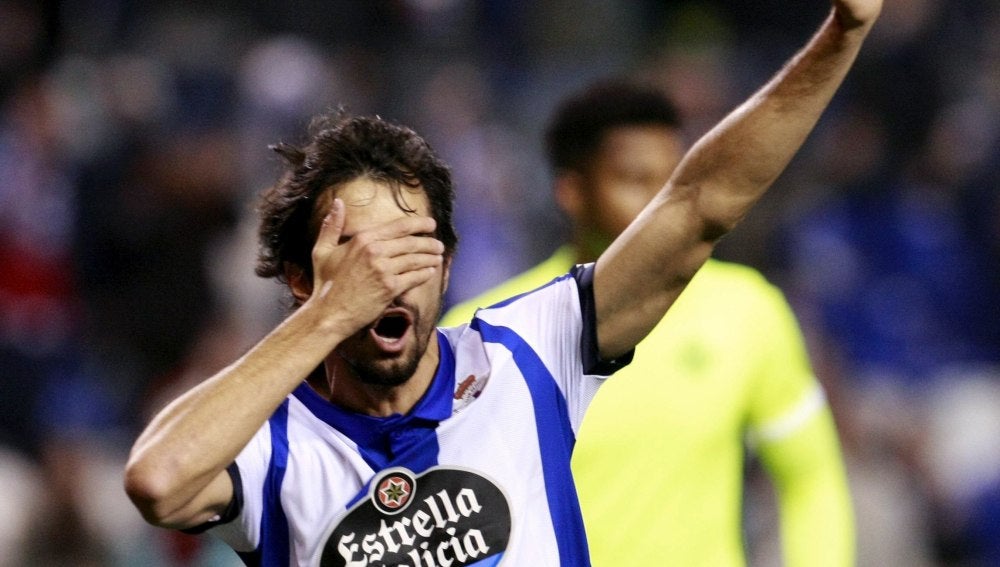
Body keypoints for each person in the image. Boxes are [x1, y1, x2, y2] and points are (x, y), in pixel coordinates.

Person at [123, 2, 881, 565]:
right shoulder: (278, 445)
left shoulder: (526, 352)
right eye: (356, 253)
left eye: (411, 246)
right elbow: (158, 480)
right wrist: (325, 317)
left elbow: (698, 204)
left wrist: (842, 32)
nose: (387, 276)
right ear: (301, 278)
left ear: (449, 263)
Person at [441, 78, 855, 565]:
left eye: (674, 182)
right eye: (636, 180)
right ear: (572, 191)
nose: (664, 205)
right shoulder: (484, 329)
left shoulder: (746, 309)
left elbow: (811, 477)